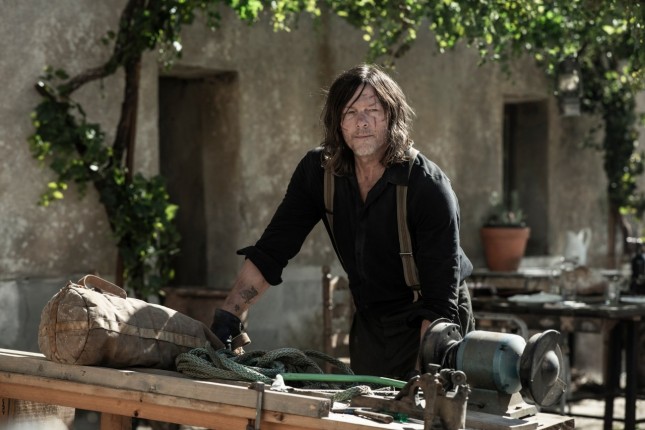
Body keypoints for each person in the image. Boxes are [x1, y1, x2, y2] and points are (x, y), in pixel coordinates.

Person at [211, 64, 474, 379]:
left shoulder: (427, 187)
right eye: (350, 112)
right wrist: (229, 316)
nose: (362, 122)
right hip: (371, 321)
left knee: (426, 406)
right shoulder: (318, 173)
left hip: (432, 320)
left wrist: (425, 378)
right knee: (364, 405)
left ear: (392, 117)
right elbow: (272, 251)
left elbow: (440, 304)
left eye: (372, 110)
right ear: (337, 121)